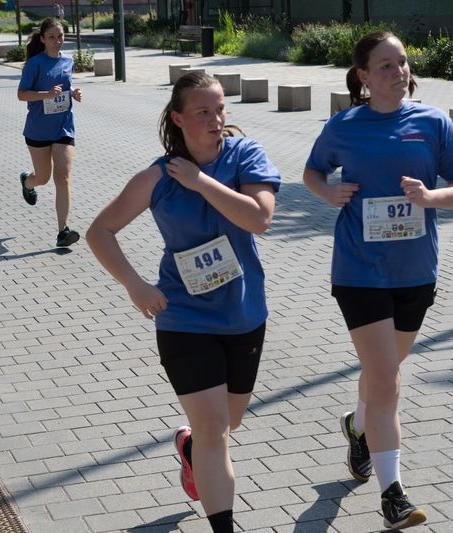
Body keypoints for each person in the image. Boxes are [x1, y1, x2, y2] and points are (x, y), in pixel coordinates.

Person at [86, 71, 280, 533]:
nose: (216, 120)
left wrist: (201, 182)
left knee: (227, 423)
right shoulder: (158, 176)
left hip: (243, 314)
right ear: (178, 118)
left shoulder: (245, 155)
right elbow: (99, 231)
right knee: (214, 429)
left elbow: (259, 219)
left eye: (220, 109)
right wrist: (134, 284)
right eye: (203, 112)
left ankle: (190, 449)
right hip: (184, 319)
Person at [302, 31, 453, 531]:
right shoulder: (344, 126)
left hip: (414, 270)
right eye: (385, 66)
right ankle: (392, 495)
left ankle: (358, 427)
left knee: (384, 371)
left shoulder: (433, 122)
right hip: (359, 269)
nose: (398, 72)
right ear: (363, 76)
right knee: (386, 381)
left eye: (402, 62)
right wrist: (327, 194)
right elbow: (313, 172)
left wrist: (430, 198)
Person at [17, 18, 82, 248]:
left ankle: (63, 230)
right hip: (38, 129)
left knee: (62, 176)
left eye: (60, 36)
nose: (57, 41)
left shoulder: (68, 60)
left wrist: (73, 92)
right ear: (43, 39)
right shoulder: (34, 64)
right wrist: (46, 94)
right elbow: (22, 94)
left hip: (63, 126)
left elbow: (65, 85)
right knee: (43, 178)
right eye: (52, 37)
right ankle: (28, 182)